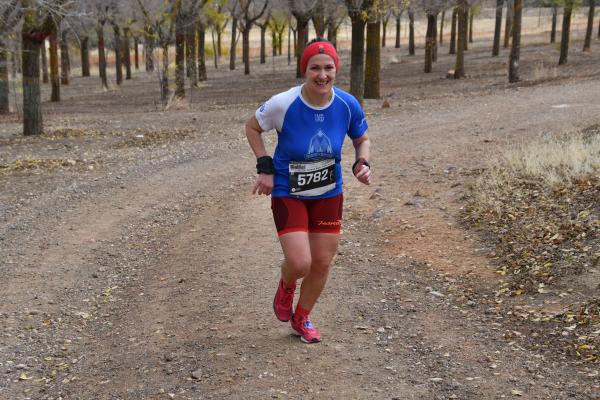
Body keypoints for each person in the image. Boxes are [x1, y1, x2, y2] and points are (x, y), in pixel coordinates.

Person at [245, 38, 371, 343]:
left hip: (329, 193)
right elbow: (252, 127)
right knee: (300, 263)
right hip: (289, 191)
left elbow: (361, 138)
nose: (322, 75)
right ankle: (287, 283)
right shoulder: (283, 103)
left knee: (322, 262)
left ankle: (301, 317)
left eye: (328, 68)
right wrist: (265, 166)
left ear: (335, 70)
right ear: (305, 70)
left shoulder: (347, 104)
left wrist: (362, 162)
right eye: (315, 68)